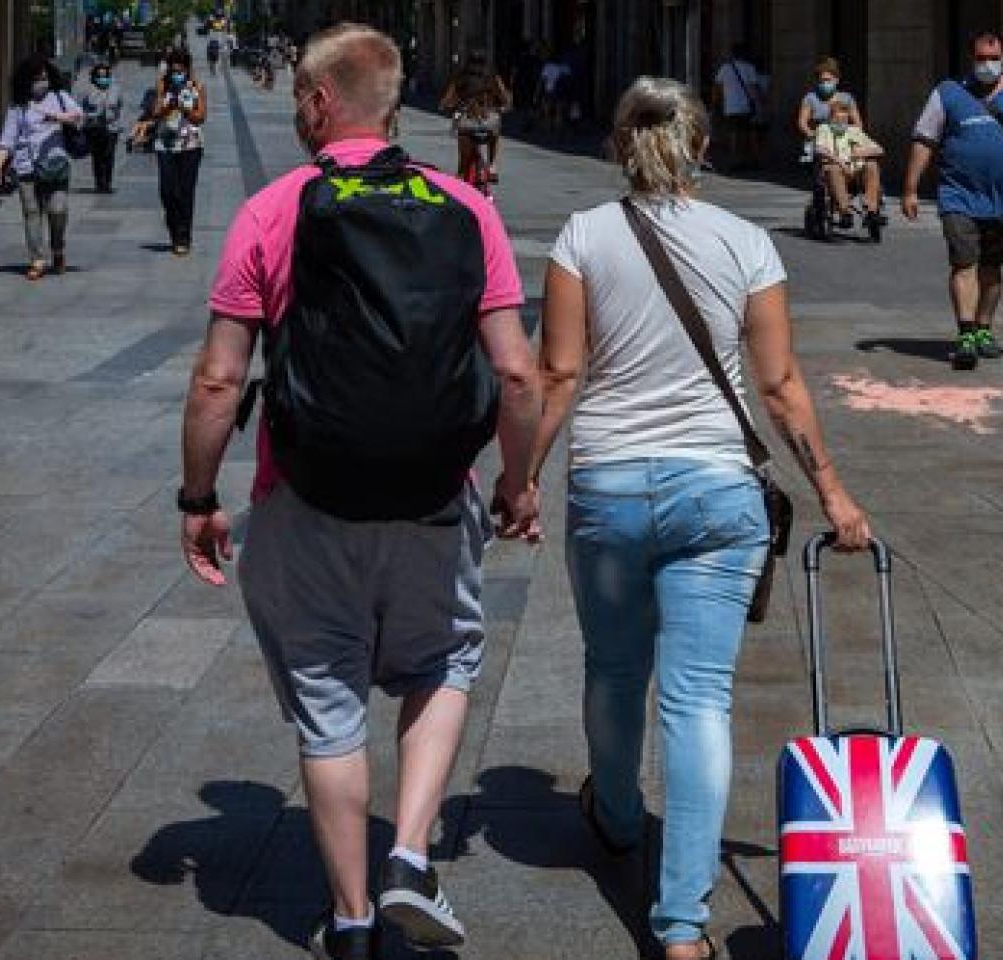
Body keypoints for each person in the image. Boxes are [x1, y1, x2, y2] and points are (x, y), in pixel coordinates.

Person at [176, 23, 541, 960]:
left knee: (328, 699)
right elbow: (516, 374)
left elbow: (221, 379)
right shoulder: (464, 205)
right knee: (447, 662)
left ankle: (346, 922)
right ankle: (410, 855)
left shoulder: (272, 210)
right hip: (432, 493)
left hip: (307, 497)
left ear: (318, 103)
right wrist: (519, 482)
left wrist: (198, 496)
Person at [531, 76, 872, 960]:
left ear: (618, 145)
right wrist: (831, 490)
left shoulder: (582, 236)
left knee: (613, 669)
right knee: (699, 701)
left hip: (607, 485)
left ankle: (612, 815)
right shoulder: (748, 241)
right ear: (702, 148)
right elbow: (779, 382)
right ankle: (681, 926)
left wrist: (520, 477)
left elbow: (559, 373)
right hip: (719, 493)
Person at [902, 33, 1003, 370]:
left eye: (992, 58)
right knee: (964, 262)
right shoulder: (948, 93)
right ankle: (965, 334)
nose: (986, 64)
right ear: (971, 59)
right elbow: (924, 140)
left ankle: (983, 328)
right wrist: (910, 188)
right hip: (958, 194)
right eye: (980, 58)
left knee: (992, 269)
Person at [0, 53, 83, 281]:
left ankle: (58, 248)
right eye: (36, 78)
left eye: (44, 77)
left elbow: (79, 116)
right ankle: (37, 259)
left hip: (55, 164)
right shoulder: (18, 107)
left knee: (58, 211)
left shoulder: (59, 96)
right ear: (26, 80)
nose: (41, 82)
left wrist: (56, 117)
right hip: (26, 168)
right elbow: (7, 140)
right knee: (32, 213)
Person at [797, 57, 883, 229]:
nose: (824, 84)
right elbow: (802, 122)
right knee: (831, 167)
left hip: (847, 143)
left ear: (836, 80)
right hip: (823, 142)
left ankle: (872, 210)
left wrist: (855, 140)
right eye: (821, 81)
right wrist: (814, 135)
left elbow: (858, 124)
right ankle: (844, 210)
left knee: (871, 164)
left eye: (828, 80)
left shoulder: (846, 99)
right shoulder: (811, 98)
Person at [143, 48, 206, 255]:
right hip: (166, 143)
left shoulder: (197, 86)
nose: (177, 73)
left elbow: (201, 116)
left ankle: (183, 236)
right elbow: (154, 112)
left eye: (181, 69)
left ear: (187, 69)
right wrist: (168, 106)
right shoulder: (163, 84)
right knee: (167, 191)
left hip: (190, 144)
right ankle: (173, 225)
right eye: (173, 69)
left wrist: (186, 108)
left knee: (186, 192)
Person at [439, 51, 512, 184]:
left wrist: (445, 105)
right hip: (488, 123)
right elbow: (505, 98)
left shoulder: (460, 77)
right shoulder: (492, 77)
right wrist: (503, 107)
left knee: (463, 164)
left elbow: (446, 100)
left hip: (467, 123)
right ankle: (492, 166)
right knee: (495, 130)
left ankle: (461, 182)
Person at [711, 43, 764, 170]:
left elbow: (717, 87)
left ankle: (734, 159)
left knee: (733, 133)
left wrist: (715, 103)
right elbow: (754, 88)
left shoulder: (725, 68)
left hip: (731, 106)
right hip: (746, 106)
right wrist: (760, 103)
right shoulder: (750, 68)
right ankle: (750, 159)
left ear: (733, 54)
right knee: (748, 133)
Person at [80, 61, 125, 193]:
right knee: (97, 156)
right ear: (94, 77)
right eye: (99, 76)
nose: (103, 79)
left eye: (105, 76)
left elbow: (120, 106)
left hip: (112, 128)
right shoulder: (89, 90)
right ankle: (99, 183)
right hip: (94, 128)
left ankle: (107, 183)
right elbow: (82, 109)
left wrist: (120, 123)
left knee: (109, 155)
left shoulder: (116, 90)